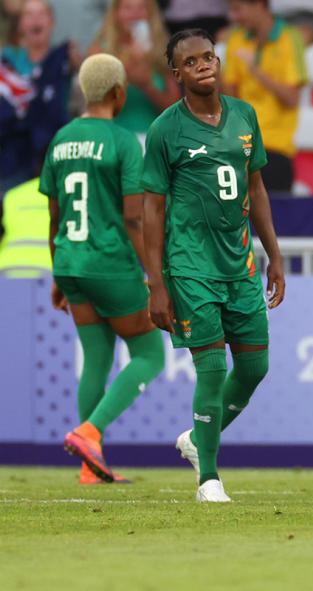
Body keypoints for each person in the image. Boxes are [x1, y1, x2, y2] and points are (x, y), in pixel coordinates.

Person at [141, 28, 286, 502]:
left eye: (209, 57)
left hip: (240, 265)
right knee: (210, 368)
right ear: (177, 73)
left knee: (255, 367)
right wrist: (156, 284)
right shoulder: (166, 129)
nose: (204, 65)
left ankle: (196, 438)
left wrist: (274, 257)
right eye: (192, 61)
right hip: (190, 267)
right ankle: (209, 478)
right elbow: (152, 210)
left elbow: (257, 188)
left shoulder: (245, 115)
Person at [39, 53, 165, 484]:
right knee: (150, 354)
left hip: (71, 261)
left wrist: (59, 272)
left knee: (96, 358)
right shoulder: (124, 141)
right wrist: (153, 273)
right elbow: (133, 217)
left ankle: (88, 467)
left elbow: (55, 216)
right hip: (110, 262)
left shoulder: (60, 140)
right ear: (118, 92)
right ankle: (89, 432)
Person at [222, 0, 307, 193]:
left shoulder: (290, 38)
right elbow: (229, 99)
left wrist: (257, 72)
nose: (232, 17)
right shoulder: (235, 39)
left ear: (259, 5)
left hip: (276, 149)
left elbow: (292, 99)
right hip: (241, 148)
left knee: (273, 221)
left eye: (238, 9)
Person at [0, 0, 75, 192]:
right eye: (29, 14)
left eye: (41, 13)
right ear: (21, 25)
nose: (35, 19)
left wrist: (78, 64)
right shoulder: (5, 61)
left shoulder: (67, 59)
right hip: (12, 160)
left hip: (55, 154)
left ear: (52, 22)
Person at [88, 0, 181, 139]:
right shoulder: (100, 52)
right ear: (115, 14)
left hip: (153, 140)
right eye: (128, 8)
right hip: (115, 139)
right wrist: (125, 75)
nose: (135, 15)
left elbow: (175, 110)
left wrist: (148, 86)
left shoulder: (162, 51)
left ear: (151, 14)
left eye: (141, 8)